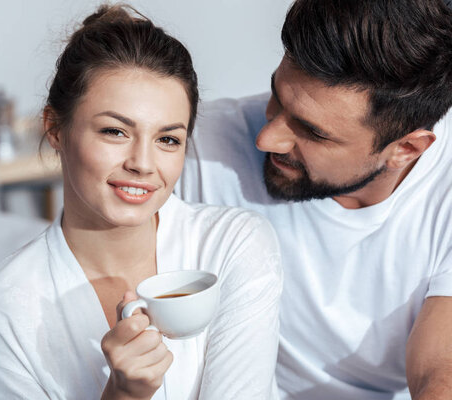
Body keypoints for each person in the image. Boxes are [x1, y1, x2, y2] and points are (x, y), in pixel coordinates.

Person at [0, 5, 282, 400]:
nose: (142, 164)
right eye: (115, 131)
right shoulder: (1, 313)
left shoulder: (232, 245)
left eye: (168, 139)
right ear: (55, 129)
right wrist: (123, 395)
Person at [176, 0, 452, 398]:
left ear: (406, 149)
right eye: (276, 98)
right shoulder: (196, 148)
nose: (266, 138)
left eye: (312, 132)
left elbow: (439, 374)